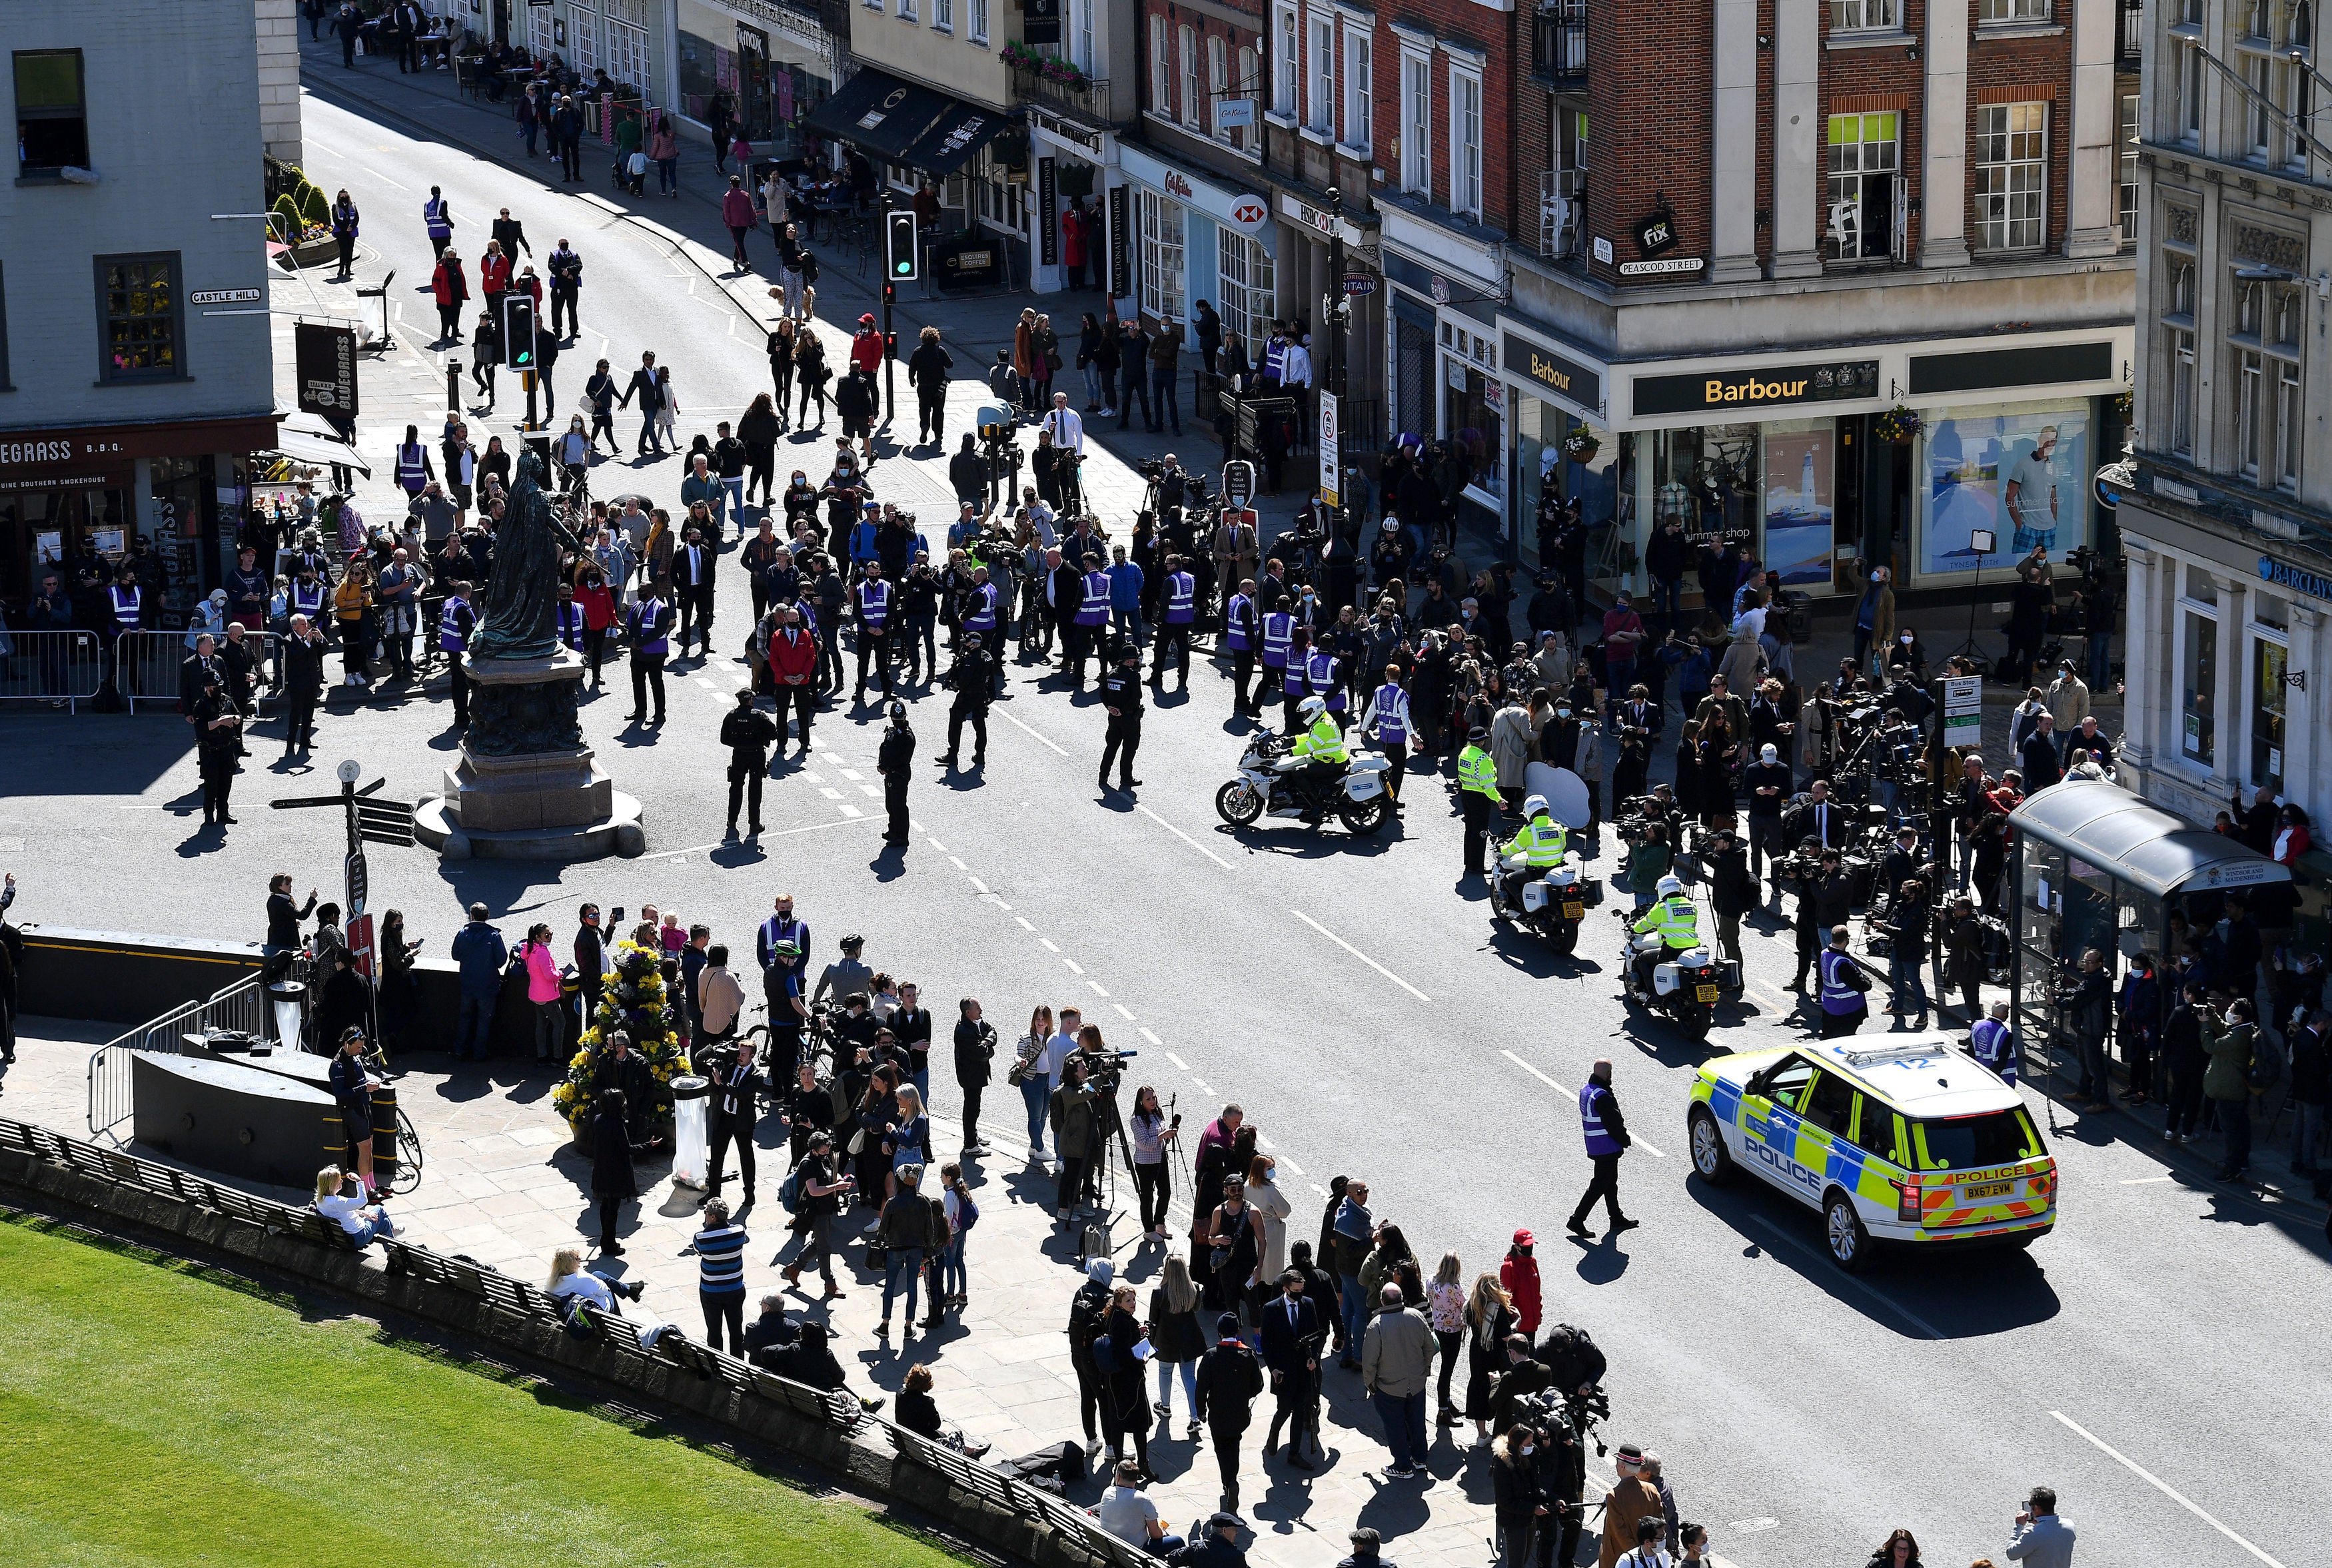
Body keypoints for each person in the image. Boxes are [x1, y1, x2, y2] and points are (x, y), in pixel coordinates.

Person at [1361, 1284, 1436, 1478]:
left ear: (1382, 1301)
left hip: (1389, 1387)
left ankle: (1402, 1466)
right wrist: (1424, 1369)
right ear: (1401, 1299)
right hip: (1417, 1384)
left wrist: (1371, 1385)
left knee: (1395, 1427)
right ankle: (1420, 1459)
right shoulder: (1416, 1316)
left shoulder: (1376, 1325)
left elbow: (1369, 1363)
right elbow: (1430, 1346)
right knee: (1417, 1422)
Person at [1194, 1312, 1263, 1510]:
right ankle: (1231, 1481)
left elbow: (1201, 1387)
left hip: (1217, 1413)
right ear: (1239, 1330)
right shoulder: (1248, 1354)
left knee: (1221, 1448)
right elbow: (1258, 1385)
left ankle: (1229, 1482)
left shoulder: (1211, 1355)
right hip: (1240, 1413)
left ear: (1219, 1333)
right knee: (1234, 1445)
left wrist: (1200, 1411)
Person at [1259, 1268, 1325, 1469]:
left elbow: (1317, 1335)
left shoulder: (1308, 1304)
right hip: (1283, 1371)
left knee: (1300, 1410)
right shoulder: (1271, 1309)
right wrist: (1273, 1369)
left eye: (1302, 1289)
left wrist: (1314, 1357)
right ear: (1286, 1289)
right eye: (1296, 1290)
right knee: (1284, 1409)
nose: (1300, 1293)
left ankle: (1294, 1453)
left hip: (1304, 1369)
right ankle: (1274, 1433)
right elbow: (1266, 1342)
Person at [1567, 1060, 1637, 1238]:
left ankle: (1616, 1217)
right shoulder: (1603, 1096)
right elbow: (1613, 1123)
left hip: (1595, 1144)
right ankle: (1577, 1220)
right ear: (1608, 1074)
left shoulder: (1588, 1090)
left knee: (1610, 1181)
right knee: (1600, 1184)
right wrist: (1625, 1140)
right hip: (1606, 1146)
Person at [690, 1197, 749, 1354]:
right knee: (736, 1330)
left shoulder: (701, 1238)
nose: (705, 1215)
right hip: (735, 1289)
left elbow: (698, 1251)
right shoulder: (739, 1231)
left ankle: (717, 1365)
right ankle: (738, 1364)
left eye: (706, 1213)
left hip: (711, 1292)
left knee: (714, 1332)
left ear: (713, 1217)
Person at [448, 902, 506, 1061]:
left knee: (465, 1017)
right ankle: (479, 1053)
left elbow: (455, 955)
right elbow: (501, 960)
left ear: (472, 916)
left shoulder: (462, 934)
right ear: (487, 917)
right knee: (484, 1019)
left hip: (467, 984)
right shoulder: (493, 936)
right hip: (487, 986)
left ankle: (460, 1050)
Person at [721, 688, 779, 838]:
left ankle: (732, 822)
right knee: (755, 790)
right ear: (751, 700)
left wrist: (739, 744)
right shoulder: (759, 716)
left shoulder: (732, 716)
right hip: (756, 756)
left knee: (735, 788)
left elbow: (724, 739)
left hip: (739, 756)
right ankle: (754, 824)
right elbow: (774, 734)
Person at [1099, 1458, 1185, 1555]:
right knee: (1178, 1541)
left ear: (1118, 1477)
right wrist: (1162, 1530)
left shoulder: (1107, 1492)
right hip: (1136, 1552)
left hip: (1110, 1547)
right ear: (1136, 1479)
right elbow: (1156, 1535)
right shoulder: (1144, 1499)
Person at [1100, 640, 1146, 793]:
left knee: (1111, 747)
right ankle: (1126, 778)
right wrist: (1122, 710)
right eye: (1135, 660)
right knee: (1129, 749)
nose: (1136, 662)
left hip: (1113, 718)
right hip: (1129, 719)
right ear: (1129, 660)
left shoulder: (1111, 673)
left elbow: (1103, 694)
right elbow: (1136, 698)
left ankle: (1103, 776)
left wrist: (1110, 708)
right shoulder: (1133, 677)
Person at [314, 1164, 395, 1246]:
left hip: (343, 1237)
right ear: (331, 1185)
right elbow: (363, 1201)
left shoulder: (320, 1200)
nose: (342, 1181)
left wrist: (364, 1213)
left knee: (385, 1223)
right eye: (338, 1180)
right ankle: (392, 1231)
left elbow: (346, 1209)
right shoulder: (337, 1202)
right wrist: (358, 1181)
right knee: (379, 1209)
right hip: (358, 1237)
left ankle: (391, 1231)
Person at [626, 581, 672, 725]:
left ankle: (659, 714)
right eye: (639, 591)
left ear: (651, 592)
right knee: (637, 682)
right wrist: (632, 641)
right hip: (638, 654)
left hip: (655, 654)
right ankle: (640, 710)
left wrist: (639, 643)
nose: (640, 593)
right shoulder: (636, 606)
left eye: (643, 591)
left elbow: (658, 631)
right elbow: (631, 625)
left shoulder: (661, 609)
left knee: (656, 684)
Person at [2004, 1485, 2075, 1568]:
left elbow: (2012, 1554)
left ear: (2037, 1508)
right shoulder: (2070, 1525)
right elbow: (2050, 1537)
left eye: (2030, 1504)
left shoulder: (2032, 1533)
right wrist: (2039, 1524)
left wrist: (2019, 1526)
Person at [878, 699, 916, 846]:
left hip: (899, 774)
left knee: (899, 806)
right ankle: (893, 831)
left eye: (899, 718)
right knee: (890, 805)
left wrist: (887, 767)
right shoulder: (892, 731)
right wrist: (881, 764)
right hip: (889, 774)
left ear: (905, 717)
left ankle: (902, 837)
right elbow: (884, 748)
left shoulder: (907, 736)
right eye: (895, 718)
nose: (897, 721)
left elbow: (903, 758)